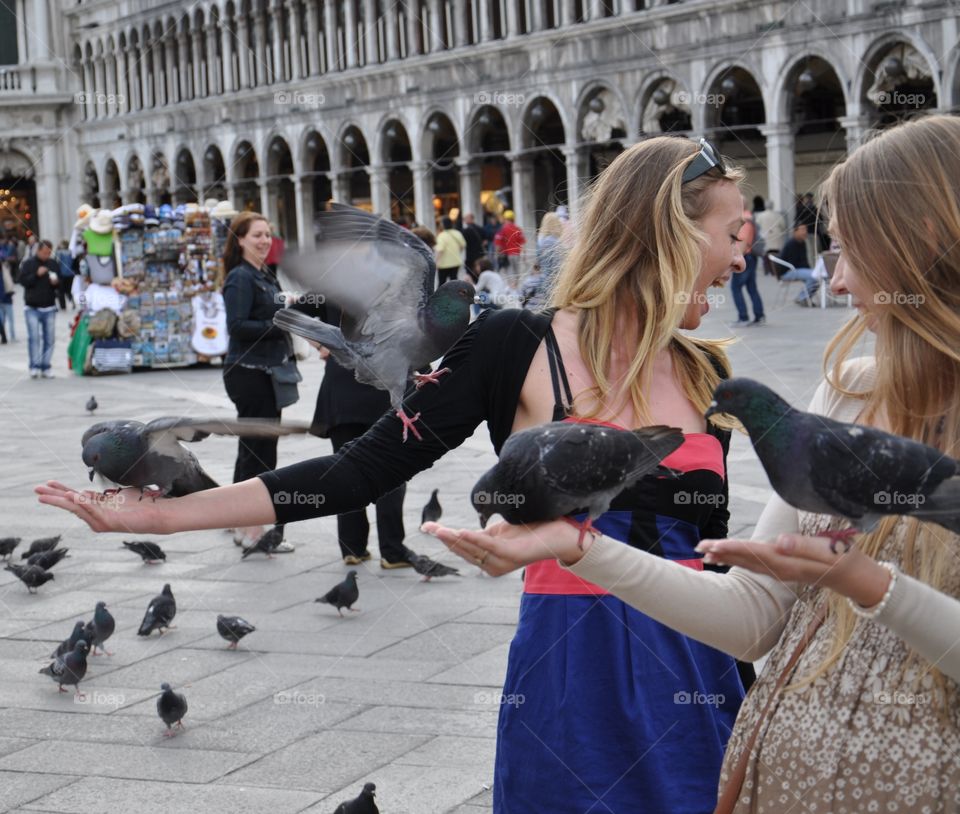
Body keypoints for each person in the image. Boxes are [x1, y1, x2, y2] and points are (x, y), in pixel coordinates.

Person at [36, 135, 750, 813]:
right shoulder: (516, 345)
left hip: (701, 681)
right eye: (732, 234)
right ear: (673, 235)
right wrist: (166, 516)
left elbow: (715, 566)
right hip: (574, 688)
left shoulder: (706, 373)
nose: (741, 259)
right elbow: (357, 472)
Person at [427, 114, 960, 813]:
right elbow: (753, 616)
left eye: (850, 251)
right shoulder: (848, 391)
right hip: (786, 790)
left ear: (923, 241)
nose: (837, 281)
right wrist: (578, 547)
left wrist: (866, 583)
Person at [309, 303, 413, 569]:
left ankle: (352, 547)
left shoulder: (333, 284)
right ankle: (392, 550)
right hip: (385, 383)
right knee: (391, 470)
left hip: (343, 383)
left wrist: (322, 344)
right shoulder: (399, 286)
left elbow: (294, 312)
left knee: (346, 470)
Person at [221, 212, 296, 553]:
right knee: (259, 452)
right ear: (240, 240)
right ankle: (253, 530)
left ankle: (237, 518)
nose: (265, 240)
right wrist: (279, 324)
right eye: (257, 235)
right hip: (249, 371)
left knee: (254, 449)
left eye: (267, 234)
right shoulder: (240, 277)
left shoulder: (264, 274)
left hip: (266, 371)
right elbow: (237, 326)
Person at [19, 239, 59, 378]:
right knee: (34, 338)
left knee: (49, 339)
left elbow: (59, 285)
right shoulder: (28, 263)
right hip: (32, 307)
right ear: (38, 250)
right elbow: (22, 281)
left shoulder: (53, 263)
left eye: (49, 253)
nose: (46, 255)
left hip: (49, 306)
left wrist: (55, 282)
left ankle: (46, 366)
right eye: (44, 252)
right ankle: (34, 366)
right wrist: (36, 274)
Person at [730, 196, 765, 326]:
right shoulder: (750, 217)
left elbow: (743, 242)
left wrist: (736, 259)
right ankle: (759, 315)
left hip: (745, 257)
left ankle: (743, 317)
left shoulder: (743, 220)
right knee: (751, 287)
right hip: (751, 257)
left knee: (735, 287)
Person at [777, 223, 820, 304]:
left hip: (797, 269)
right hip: (788, 271)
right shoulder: (791, 244)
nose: (805, 232)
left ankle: (805, 297)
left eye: (806, 230)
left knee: (818, 275)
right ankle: (802, 298)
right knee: (814, 275)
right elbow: (794, 263)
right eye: (802, 230)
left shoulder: (802, 243)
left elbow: (804, 261)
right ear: (795, 231)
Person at [752, 196, 786, 276]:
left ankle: (767, 270)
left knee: (765, 254)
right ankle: (775, 270)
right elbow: (783, 226)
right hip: (776, 237)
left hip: (765, 236)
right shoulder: (777, 215)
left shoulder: (760, 215)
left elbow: (756, 225)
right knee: (776, 254)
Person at [493, 210, 525, 288]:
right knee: (517, 271)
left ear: (505, 219)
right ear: (513, 219)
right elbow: (522, 242)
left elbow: (498, 243)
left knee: (508, 271)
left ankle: (510, 286)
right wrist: (524, 254)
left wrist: (496, 254)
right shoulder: (518, 229)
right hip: (517, 253)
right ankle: (516, 285)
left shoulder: (502, 229)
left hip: (506, 254)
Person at [434, 216, 466, 286]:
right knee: (454, 281)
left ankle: (442, 293)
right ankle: (455, 293)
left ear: (443, 225)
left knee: (442, 282)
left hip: (443, 264)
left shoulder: (442, 236)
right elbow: (463, 245)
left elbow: (440, 250)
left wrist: (436, 262)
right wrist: (456, 252)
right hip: (456, 262)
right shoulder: (457, 233)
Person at [54, 240, 75, 310]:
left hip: (61, 274)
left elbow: (57, 262)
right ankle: (72, 302)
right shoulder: (71, 252)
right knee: (69, 290)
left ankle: (63, 306)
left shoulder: (59, 252)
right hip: (71, 273)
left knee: (61, 291)